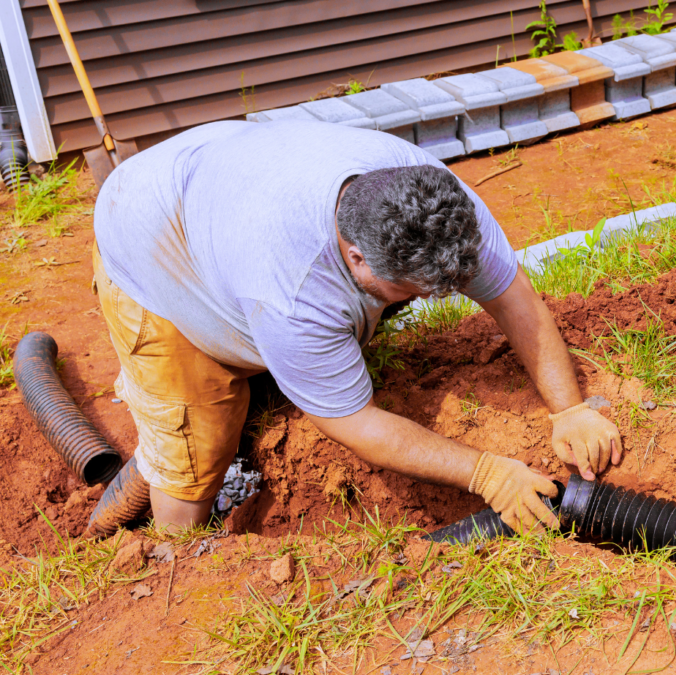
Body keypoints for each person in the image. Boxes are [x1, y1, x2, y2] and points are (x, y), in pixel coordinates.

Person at [91, 120, 622, 533]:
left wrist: (569, 408)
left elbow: (514, 298)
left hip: (223, 177)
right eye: (411, 291)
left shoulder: (432, 199)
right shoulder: (291, 291)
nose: (426, 301)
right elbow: (355, 423)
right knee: (196, 447)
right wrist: (487, 474)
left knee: (302, 352)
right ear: (356, 257)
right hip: (151, 239)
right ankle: (171, 563)